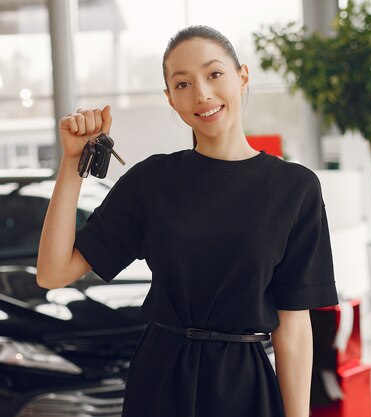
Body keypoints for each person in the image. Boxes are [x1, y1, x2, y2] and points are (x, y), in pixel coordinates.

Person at [37, 25, 339, 417]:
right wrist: (72, 163)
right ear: (170, 100)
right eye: (182, 84)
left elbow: (294, 325)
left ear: (242, 76)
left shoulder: (295, 188)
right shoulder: (152, 181)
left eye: (214, 74)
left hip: (244, 386)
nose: (202, 94)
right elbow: (53, 272)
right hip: (161, 381)